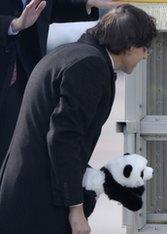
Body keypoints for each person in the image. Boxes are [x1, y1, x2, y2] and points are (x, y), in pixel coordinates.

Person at [0, 4, 157, 234]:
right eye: (145, 47)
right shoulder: (89, 65)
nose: (146, 55)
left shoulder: (74, 54)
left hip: (26, 196)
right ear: (130, 46)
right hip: (37, 205)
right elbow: (64, 139)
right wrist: (76, 209)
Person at [0, 0, 121, 167]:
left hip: (26, 77)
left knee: (18, 154)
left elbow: (50, 8)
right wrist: (13, 24)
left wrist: (88, 3)